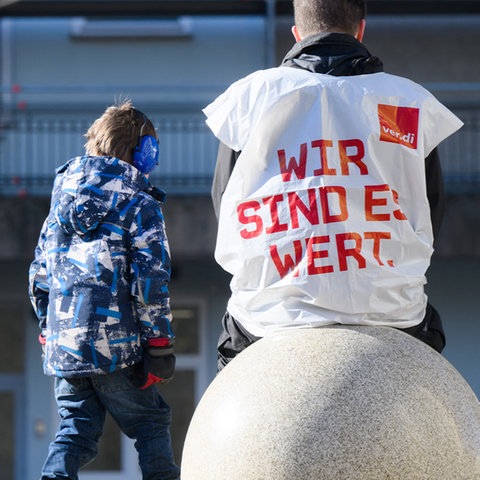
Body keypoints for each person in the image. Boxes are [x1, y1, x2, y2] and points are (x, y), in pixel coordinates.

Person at [206, 0, 463, 370]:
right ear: (361, 29)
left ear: (296, 33)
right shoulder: (406, 101)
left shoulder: (251, 97)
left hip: (269, 314)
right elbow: (429, 206)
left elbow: (225, 203)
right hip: (391, 308)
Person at [29, 100, 180, 480]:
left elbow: (39, 275)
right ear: (144, 153)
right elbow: (151, 281)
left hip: (65, 349)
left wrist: (49, 332)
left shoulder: (58, 202)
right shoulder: (139, 204)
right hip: (119, 349)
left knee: (75, 432)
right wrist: (160, 347)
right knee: (150, 425)